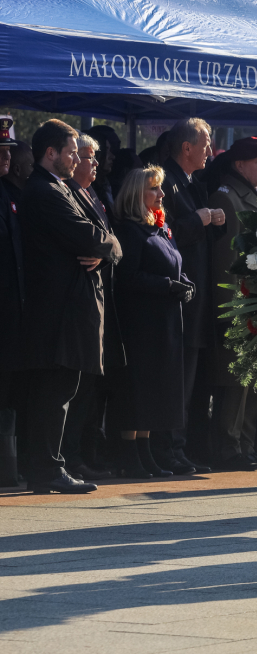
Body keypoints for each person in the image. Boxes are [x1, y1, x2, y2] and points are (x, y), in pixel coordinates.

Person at [18, 119, 122, 493]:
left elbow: (110, 239)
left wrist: (105, 247)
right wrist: (104, 245)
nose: (77, 158)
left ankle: (47, 467)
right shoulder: (45, 192)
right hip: (57, 311)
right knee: (53, 391)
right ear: (51, 153)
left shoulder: (64, 189)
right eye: (71, 151)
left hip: (68, 309)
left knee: (62, 389)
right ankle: (46, 468)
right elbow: (92, 237)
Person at [108, 167, 193, 479]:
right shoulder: (129, 230)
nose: (161, 195)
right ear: (136, 195)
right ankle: (130, 456)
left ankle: (145, 452)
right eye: (154, 190)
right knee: (137, 390)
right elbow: (127, 277)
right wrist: (167, 286)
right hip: (140, 322)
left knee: (155, 390)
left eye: (160, 189)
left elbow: (174, 262)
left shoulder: (159, 226)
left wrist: (184, 282)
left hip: (165, 319)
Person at [208, 137, 257, 471]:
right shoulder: (227, 198)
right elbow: (227, 261)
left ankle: (245, 445)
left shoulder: (251, 196)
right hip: (242, 304)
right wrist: (229, 310)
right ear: (239, 165)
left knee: (255, 379)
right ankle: (229, 446)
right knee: (236, 381)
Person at [161, 118, 225, 474]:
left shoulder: (191, 182)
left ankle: (182, 445)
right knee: (177, 379)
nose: (210, 151)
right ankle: (169, 447)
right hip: (177, 298)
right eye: (205, 144)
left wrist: (212, 220)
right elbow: (161, 232)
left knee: (191, 381)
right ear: (187, 147)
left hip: (196, 298)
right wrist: (197, 220)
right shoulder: (165, 181)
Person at [63, 134, 125, 480]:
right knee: (78, 388)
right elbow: (90, 244)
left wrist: (106, 253)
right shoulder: (68, 194)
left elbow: (114, 246)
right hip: (79, 305)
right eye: (87, 157)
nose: (94, 164)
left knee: (92, 390)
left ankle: (85, 452)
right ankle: (71, 457)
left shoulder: (95, 195)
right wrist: (108, 250)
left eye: (94, 158)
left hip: (102, 301)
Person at [0, 117, 24, 484]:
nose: (6, 155)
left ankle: (6, 470)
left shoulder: (8, 192)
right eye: (0, 150)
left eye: (8, 149)